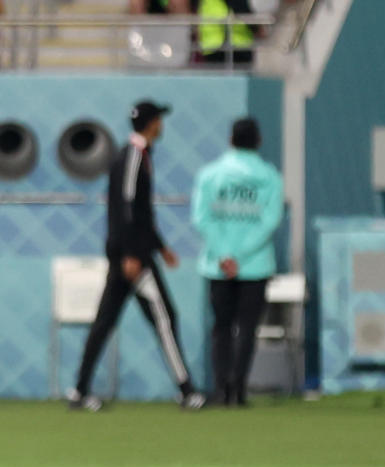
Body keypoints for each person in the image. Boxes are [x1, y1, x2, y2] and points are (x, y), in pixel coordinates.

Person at [68, 100, 206, 413]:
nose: (162, 125)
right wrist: (132, 253)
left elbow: (141, 211)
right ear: (152, 122)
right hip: (134, 259)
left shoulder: (139, 155)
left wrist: (160, 245)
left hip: (131, 252)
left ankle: (79, 390)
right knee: (165, 318)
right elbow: (128, 205)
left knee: (104, 322)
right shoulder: (133, 156)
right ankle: (187, 390)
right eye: (159, 119)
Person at [191, 117, 282, 406]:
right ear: (258, 141)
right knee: (247, 328)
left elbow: (201, 217)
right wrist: (241, 255)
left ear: (230, 139)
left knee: (222, 327)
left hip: (218, 265)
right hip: (254, 265)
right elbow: (270, 220)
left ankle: (221, 388)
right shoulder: (269, 177)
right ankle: (238, 389)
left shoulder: (211, 174)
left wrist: (224, 255)